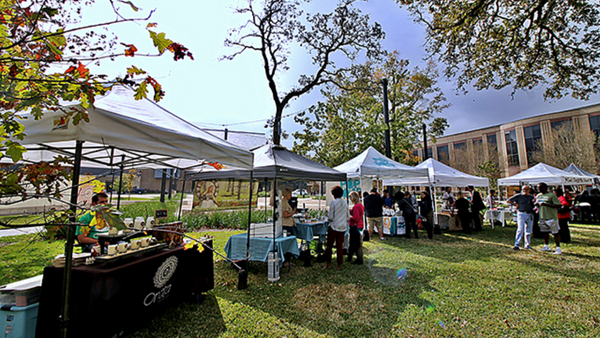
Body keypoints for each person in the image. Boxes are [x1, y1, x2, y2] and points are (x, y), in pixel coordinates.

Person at [325, 185, 350, 270]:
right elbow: (348, 216)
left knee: (329, 246)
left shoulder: (333, 203)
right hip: (342, 227)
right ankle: (339, 265)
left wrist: (328, 218)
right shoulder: (345, 203)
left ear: (334, 195)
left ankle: (329, 264)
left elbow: (330, 217)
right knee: (340, 246)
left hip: (334, 226)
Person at [536, 182, 562, 254]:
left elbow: (558, 205)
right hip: (542, 216)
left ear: (544, 187)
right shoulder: (538, 196)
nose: (538, 189)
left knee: (555, 232)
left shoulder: (551, 195)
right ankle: (546, 246)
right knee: (545, 232)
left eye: (539, 187)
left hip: (551, 216)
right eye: (538, 187)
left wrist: (546, 204)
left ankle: (558, 248)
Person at [507, 185, 535, 250]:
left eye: (526, 189)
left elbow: (533, 204)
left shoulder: (531, 197)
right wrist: (516, 205)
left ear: (529, 190)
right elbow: (508, 200)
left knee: (529, 230)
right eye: (523, 189)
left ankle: (527, 245)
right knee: (520, 229)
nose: (525, 191)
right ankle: (517, 244)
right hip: (521, 213)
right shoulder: (519, 196)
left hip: (529, 214)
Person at [281, 188, 297, 268]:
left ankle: (286, 260)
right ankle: (286, 261)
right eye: (290, 194)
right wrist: (293, 212)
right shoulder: (284, 203)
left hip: (288, 224)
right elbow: (285, 215)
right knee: (288, 243)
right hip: (287, 225)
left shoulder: (285, 202)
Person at [347, 191, 364, 265]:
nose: (350, 199)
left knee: (354, 243)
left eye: (350, 197)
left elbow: (356, 218)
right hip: (359, 225)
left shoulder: (356, 207)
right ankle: (351, 257)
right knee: (356, 243)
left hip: (355, 226)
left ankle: (358, 259)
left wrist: (349, 218)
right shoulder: (360, 205)